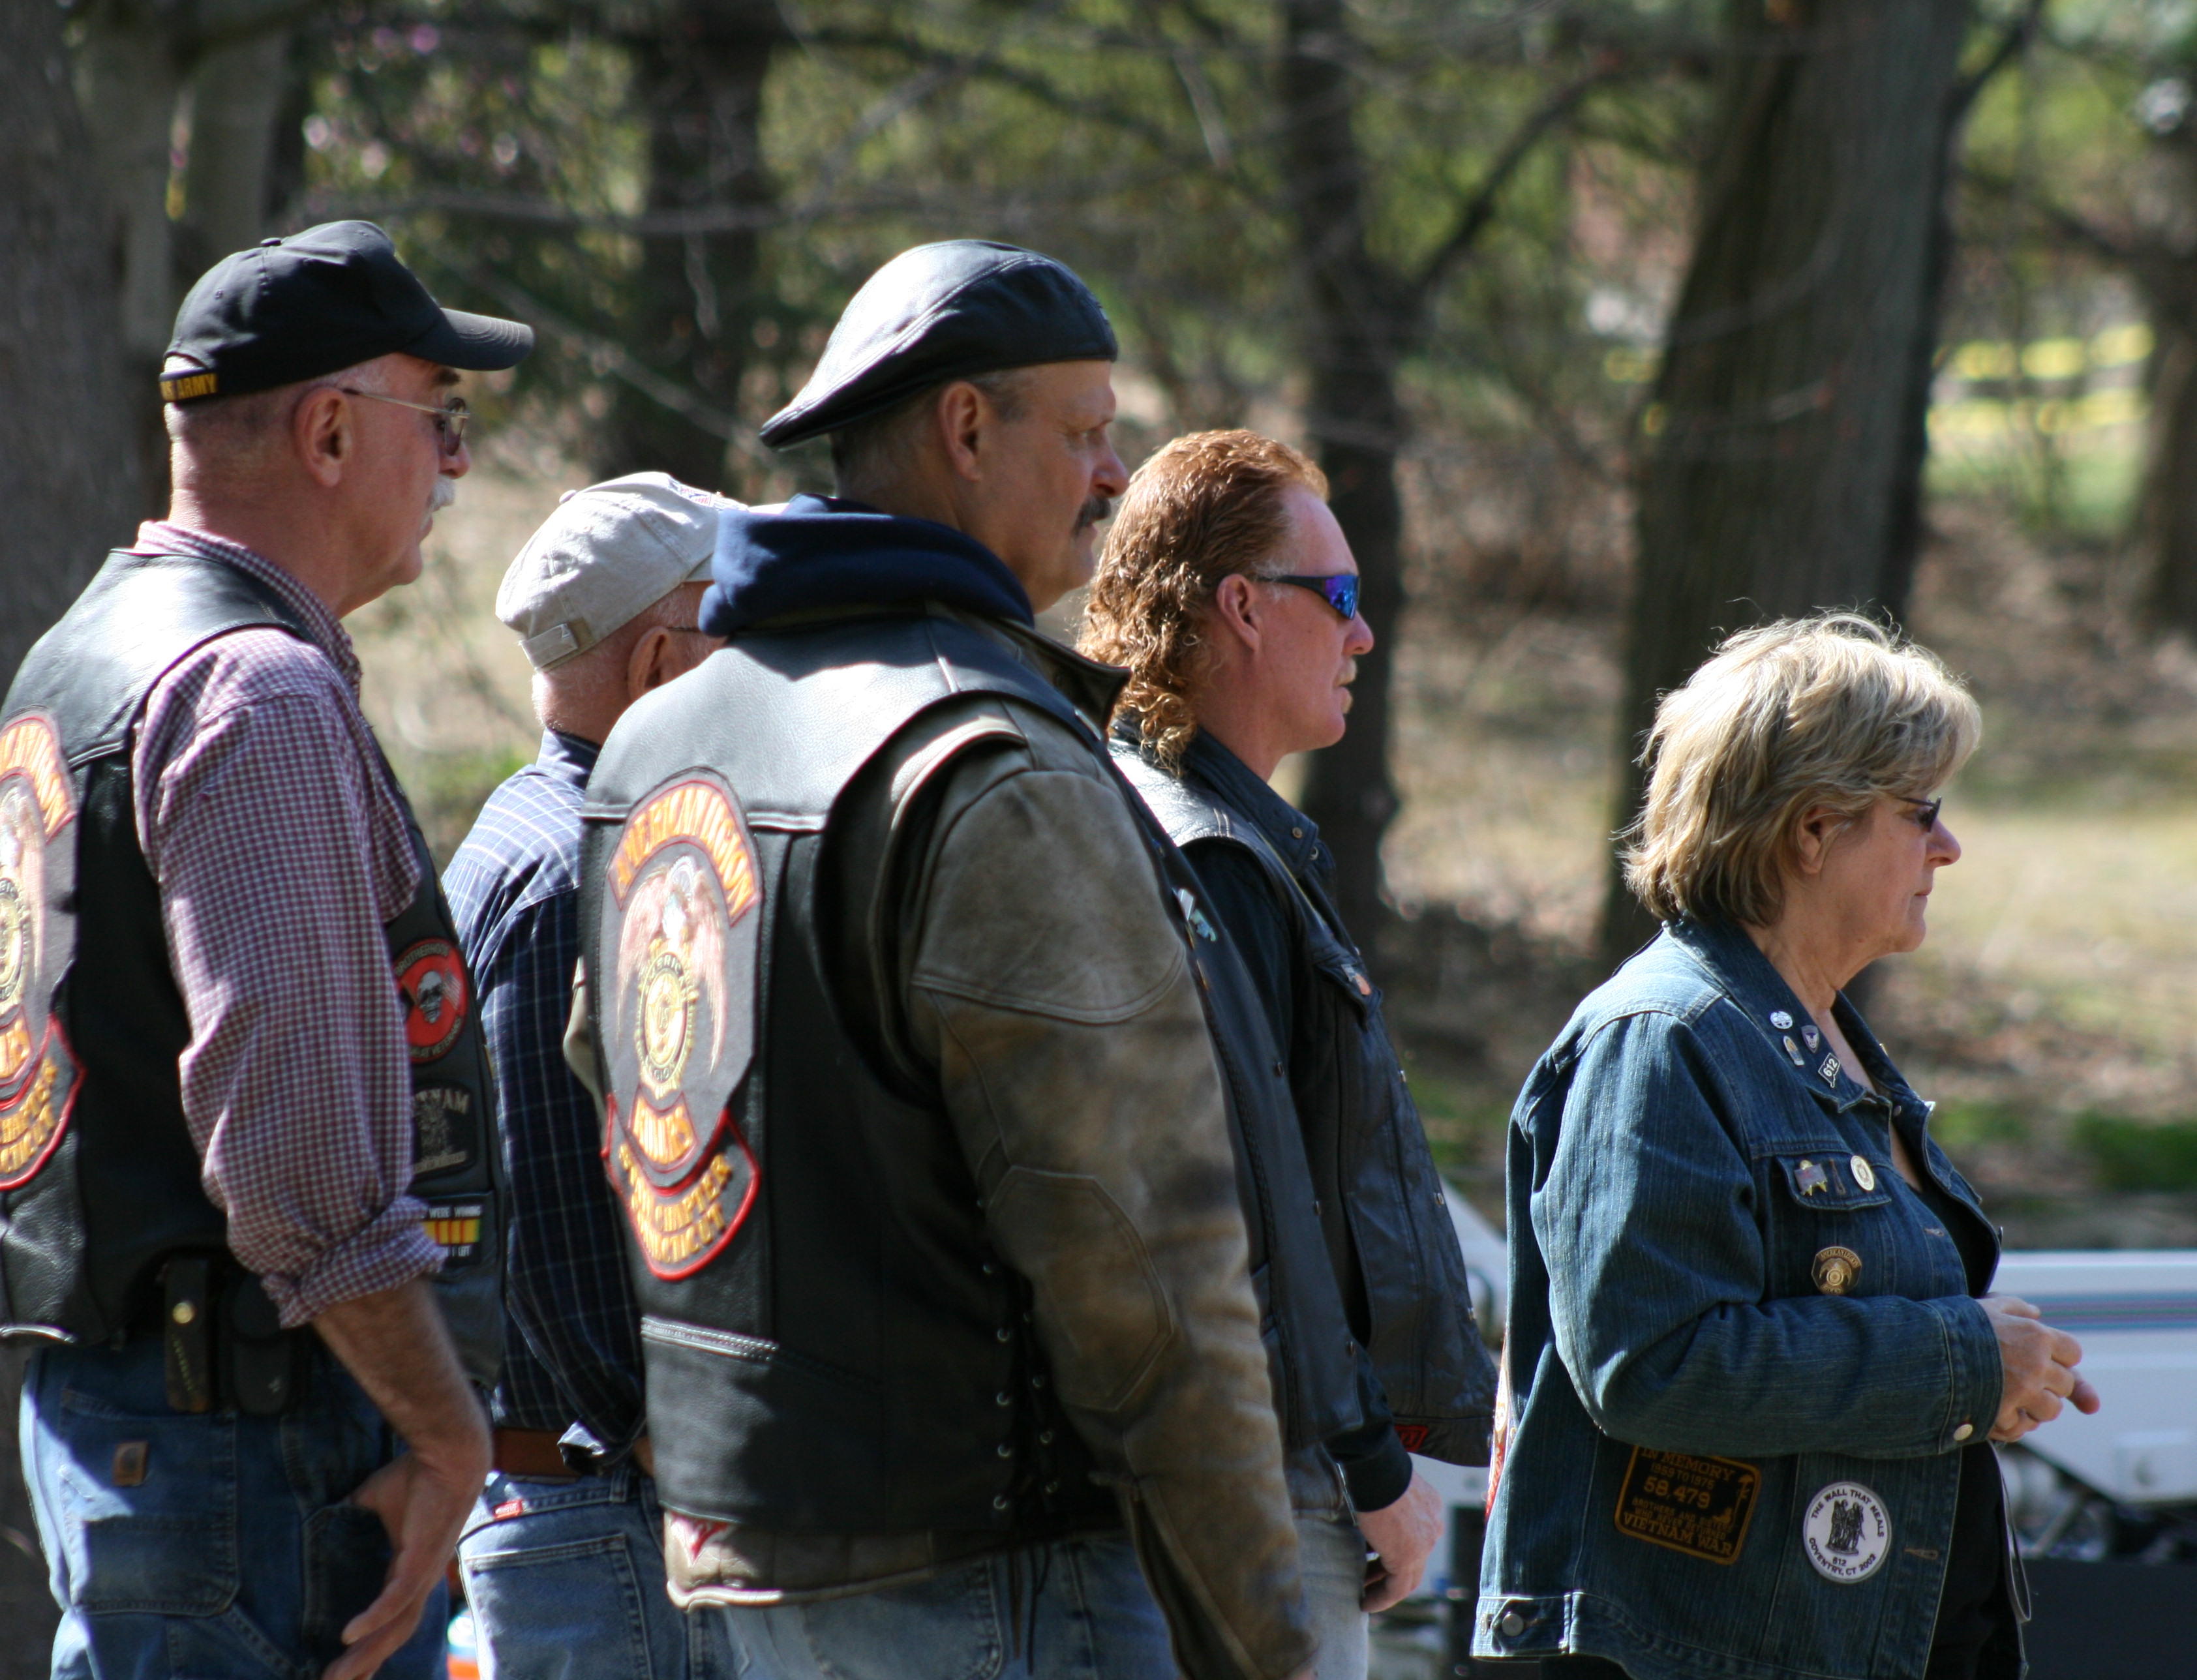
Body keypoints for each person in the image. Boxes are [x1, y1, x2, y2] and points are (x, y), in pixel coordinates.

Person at [569, 240, 1314, 1680]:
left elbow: (639, 1133)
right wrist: (1265, 1638)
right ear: (969, 429)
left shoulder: (657, 741)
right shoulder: (992, 760)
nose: (1114, 474)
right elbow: (1144, 1260)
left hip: (755, 1574)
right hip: (1004, 1590)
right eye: (1090, 431)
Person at [2, 222, 532, 1680]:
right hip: (253, 1453)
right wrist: (442, 1426)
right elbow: (296, 1165)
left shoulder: (78, 657)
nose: (461, 465)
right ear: (329, 430)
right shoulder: (257, 693)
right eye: (446, 420)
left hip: (139, 1431)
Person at [1474, 614, 2100, 1680]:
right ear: (1813, 832)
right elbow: (1651, 1361)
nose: (1948, 848)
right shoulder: (1664, 1041)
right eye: (1923, 813)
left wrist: (1985, 1373)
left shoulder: (1812, 1036)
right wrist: (1964, 1365)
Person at [1081, 430, 1498, 1678]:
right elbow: (1253, 1218)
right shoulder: (1209, 857)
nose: (1366, 638)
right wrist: (1373, 1465)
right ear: (1244, 609)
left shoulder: (1184, 825)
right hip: (1269, 1483)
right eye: (1346, 601)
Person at [442, 475, 731, 1677]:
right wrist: (656, 1433)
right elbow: (551, 1200)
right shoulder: (583, 872)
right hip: (606, 1518)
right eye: (736, 624)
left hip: (578, 1514)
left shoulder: (533, 824)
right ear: (665, 660)